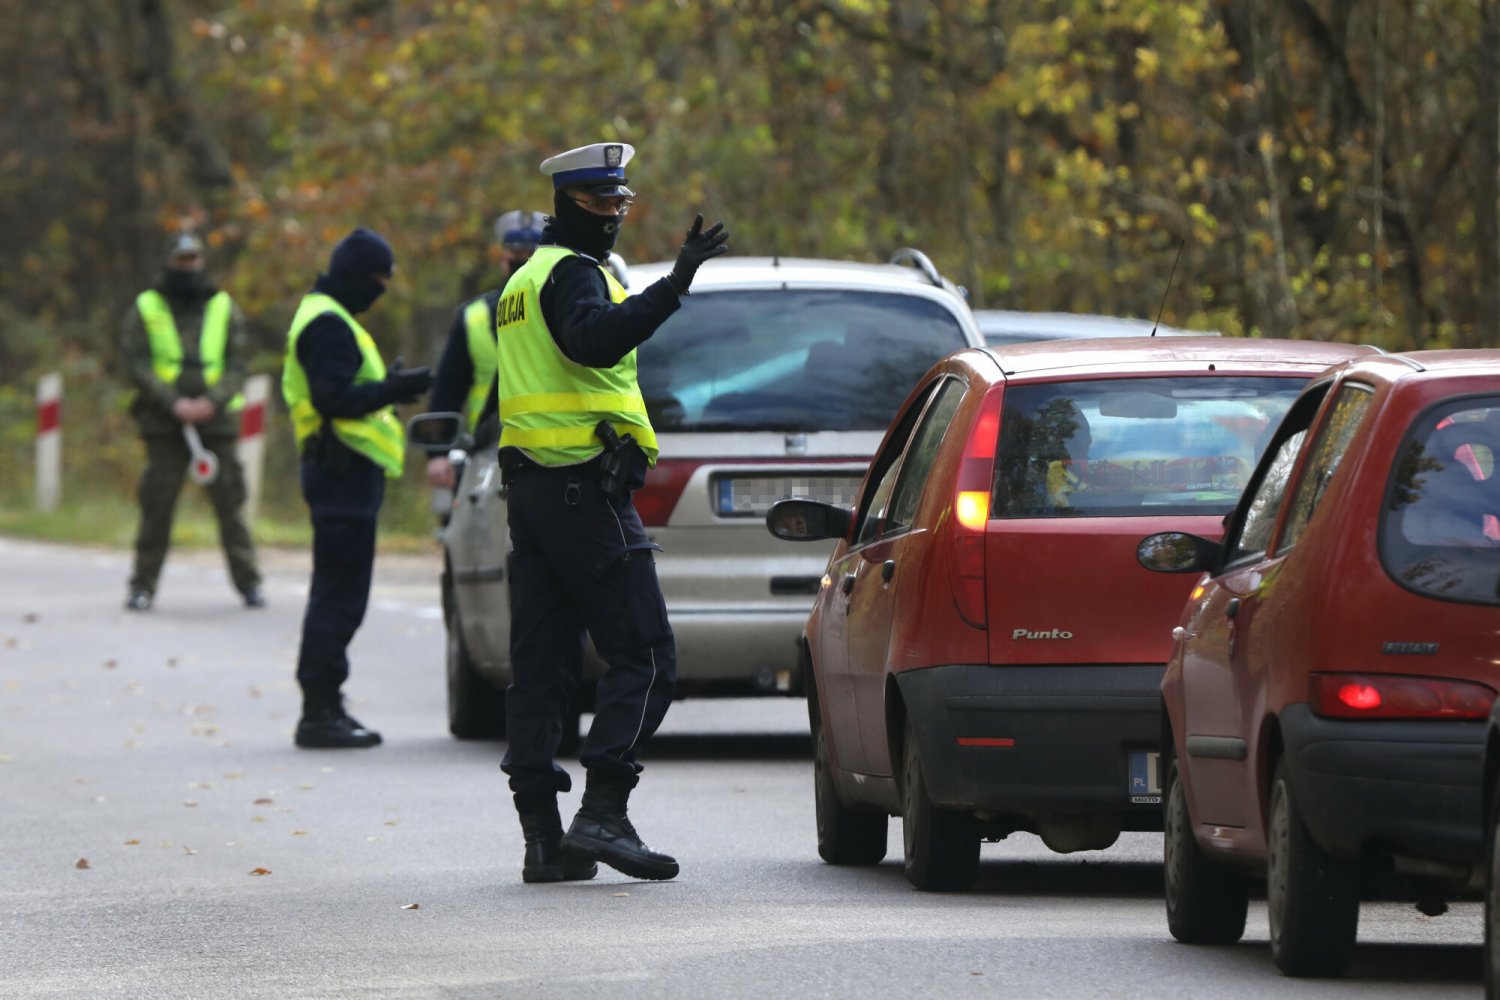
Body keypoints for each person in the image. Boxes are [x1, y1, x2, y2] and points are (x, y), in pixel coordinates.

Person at [497, 141, 727, 883]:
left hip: (535, 493)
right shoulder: (571, 272)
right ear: (566, 205)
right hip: (580, 492)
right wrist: (675, 284)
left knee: (542, 666)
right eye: (599, 204)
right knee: (647, 654)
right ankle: (602, 813)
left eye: (619, 205)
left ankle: (543, 839)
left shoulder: (522, 281)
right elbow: (594, 343)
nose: (611, 217)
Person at [281, 227, 434, 749]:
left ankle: (326, 705)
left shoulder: (330, 315)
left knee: (338, 592)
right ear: (354, 275)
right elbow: (334, 398)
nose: (381, 291)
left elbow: (342, 390)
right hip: (340, 473)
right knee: (339, 597)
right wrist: (393, 389)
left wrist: (387, 387)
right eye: (377, 281)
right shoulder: (327, 322)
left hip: (342, 474)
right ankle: (320, 711)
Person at [121, 232, 264, 612]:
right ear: (169, 261)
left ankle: (250, 583)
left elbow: (238, 363)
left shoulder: (223, 307)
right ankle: (142, 586)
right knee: (157, 505)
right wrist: (174, 403)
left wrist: (211, 402)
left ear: (201, 262)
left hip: (216, 424)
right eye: (181, 259)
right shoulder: (146, 307)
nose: (187, 266)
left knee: (231, 504)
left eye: (193, 259)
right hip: (164, 424)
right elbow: (136, 364)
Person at [423, 210, 547, 493]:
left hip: (550, 447)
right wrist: (438, 453)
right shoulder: (473, 318)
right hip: (486, 451)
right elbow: (448, 389)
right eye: (517, 253)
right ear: (503, 257)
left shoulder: (561, 309)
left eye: (531, 254)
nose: (523, 260)